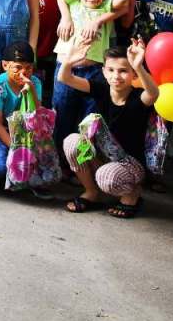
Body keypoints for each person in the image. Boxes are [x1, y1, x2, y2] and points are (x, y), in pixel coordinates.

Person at [35, 0, 173, 159]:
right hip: (66, 69)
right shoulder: (73, 3)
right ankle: (58, 160)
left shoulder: (106, 7)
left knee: (90, 118)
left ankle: (84, 162)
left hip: (94, 72)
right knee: (62, 114)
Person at [60, 39, 159, 218]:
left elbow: (153, 93)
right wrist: (69, 60)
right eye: (111, 70)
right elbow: (64, 78)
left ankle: (132, 193)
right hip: (102, 157)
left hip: (129, 164)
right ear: (104, 71)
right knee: (72, 142)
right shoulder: (102, 89)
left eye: (123, 71)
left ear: (133, 75)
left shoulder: (138, 97)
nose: (116, 76)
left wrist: (138, 66)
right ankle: (91, 191)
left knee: (106, 177)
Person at [0, 42, 46, 193]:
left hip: (25, 132)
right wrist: (17, 150)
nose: (24, 73)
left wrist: (32, 91)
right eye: (18, 67)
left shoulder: (35, 83)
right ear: (5, 65)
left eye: (28, 68)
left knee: (43, 162)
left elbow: (38, 115)